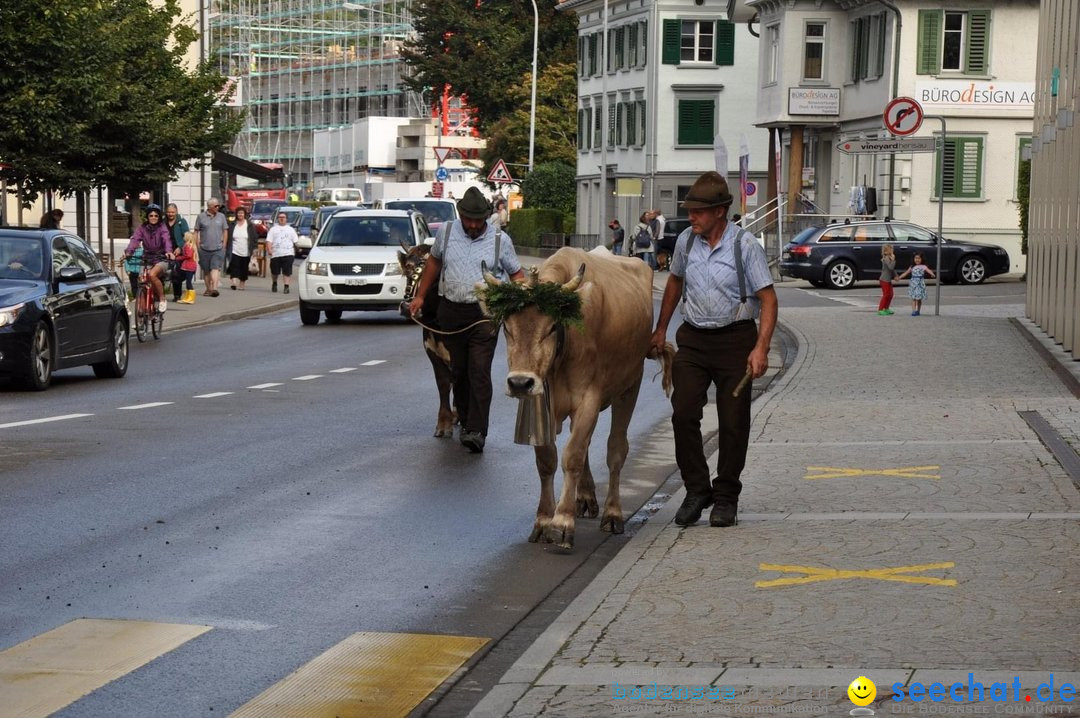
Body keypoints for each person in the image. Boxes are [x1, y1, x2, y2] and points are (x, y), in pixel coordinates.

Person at [650, 171, 778, 529]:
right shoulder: (686, 243)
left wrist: (761, 348)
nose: (691, 217)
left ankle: (726, 498)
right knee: (683, 411)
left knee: (733, 423)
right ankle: (697, 489)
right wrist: (661, 329)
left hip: (735, 340)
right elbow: (674, 281)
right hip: (694, 338)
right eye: (690, 210)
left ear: (720, 211)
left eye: (699, 211)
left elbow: (768, 300)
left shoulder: (745, 246)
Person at [406, 187, 525, 453]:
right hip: (450, 311)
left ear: (485, 216)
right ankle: (466, 419)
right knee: (458, 373)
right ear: (460, 215)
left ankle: (476, 430)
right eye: (468, 220)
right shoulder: (447, 232)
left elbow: (517, 275)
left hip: (484, 316)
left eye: (477, 220)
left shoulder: (499, 240)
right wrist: (421, 297)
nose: (472, 225)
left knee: (479, 371)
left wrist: (515, 299)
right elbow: (434, 264)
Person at [124, 204, 174, 313]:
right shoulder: (142, 228)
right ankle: (141, 315)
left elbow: (166, 240)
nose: (153, 217)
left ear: (159, 217)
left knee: (152, 275)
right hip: (147, 258)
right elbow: (135, 240)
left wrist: (169, 252)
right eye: (151, 215)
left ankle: (162, 299)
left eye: (156, 215)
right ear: (147, 216)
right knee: (141, 281)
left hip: (161, 258)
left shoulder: (162, 227)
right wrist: (129, 252)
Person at [194, 197, 228, 297]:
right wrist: (197, 245)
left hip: (218, 248)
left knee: (215, 268)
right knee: (206, 270)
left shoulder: (221, 216)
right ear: (209, 207)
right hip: (204, 248)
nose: (218, 207)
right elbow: (196, 231)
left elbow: (225, 230)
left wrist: (224, 244)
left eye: (218, 206)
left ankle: (215, 288)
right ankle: (208, 289)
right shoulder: (201, 217)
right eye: (215, 206)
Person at [265, 210, 298, 293]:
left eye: (283, 217)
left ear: (286, 219)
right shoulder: (273, 229)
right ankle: (274, 283)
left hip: (288, 253)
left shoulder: (291, 230)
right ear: (277, 219)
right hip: (276, 254)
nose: (282, 219)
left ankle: (286, 286)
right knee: (274, 271)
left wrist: (297, 250)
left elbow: (295, 242)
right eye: (280, 217)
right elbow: (269, 241)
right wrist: (269, 249)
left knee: (287, 271)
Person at [227, 206, 258, 290]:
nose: (240, 214)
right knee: (234, 266)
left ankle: (242, 284)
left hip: (246, 251)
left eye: (242, 213)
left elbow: (255, 238)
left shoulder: (250, 225)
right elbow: (228, 236)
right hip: (234, 249)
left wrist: (255, 249)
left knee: (244, 268)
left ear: (245, 214)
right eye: (238, 213)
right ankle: (234, 282)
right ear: (236, 214)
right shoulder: (232, 224)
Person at [896, 252, 935, 316]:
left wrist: (932, 274)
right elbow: (906, 273)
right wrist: (899, 277)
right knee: (913, 298)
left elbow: (929, 270)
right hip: (913, 284)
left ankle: (918, 311)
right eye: (916, 258)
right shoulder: (912, 267)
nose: (917, 260)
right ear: (913, 259)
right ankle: (913, 311)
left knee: (919, 299)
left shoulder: (923, 266)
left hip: (920, 283)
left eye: (919, 258)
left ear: (922, 259)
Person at [164, 203, 190, 301]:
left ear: (176, 212)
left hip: (178, 251)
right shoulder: (163, 222)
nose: (170, 214)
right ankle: (159, 295)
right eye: (169, 212)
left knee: (176, 273)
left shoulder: (181, 222)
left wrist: (180, 247)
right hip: (166, 250)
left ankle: (177, 295)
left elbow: (187, 237)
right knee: (162, 272)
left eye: (172, 212)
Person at [175, 231, 199, 304]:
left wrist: (178, 258)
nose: (183, 237)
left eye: (184, 236)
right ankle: (187, 296)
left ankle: (190, 298)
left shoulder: (188, 246)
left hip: (188, 267)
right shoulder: (191, 245)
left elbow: (188, 255)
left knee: (188, 282)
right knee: (186, 281)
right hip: (190, 266)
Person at [878, 244, 896, 315]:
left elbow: (892, 270)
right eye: (890, 249)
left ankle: (886, 308)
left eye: (892, 249)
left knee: (890, 294)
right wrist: (893, 260)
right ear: (885, 252)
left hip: (888, 280)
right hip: (884, 280)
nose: (892, 251)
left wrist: (896, 276)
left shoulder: (889, 258)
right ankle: (880, 309)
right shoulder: (886, 258)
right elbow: (891, 267)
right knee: (886, 295)